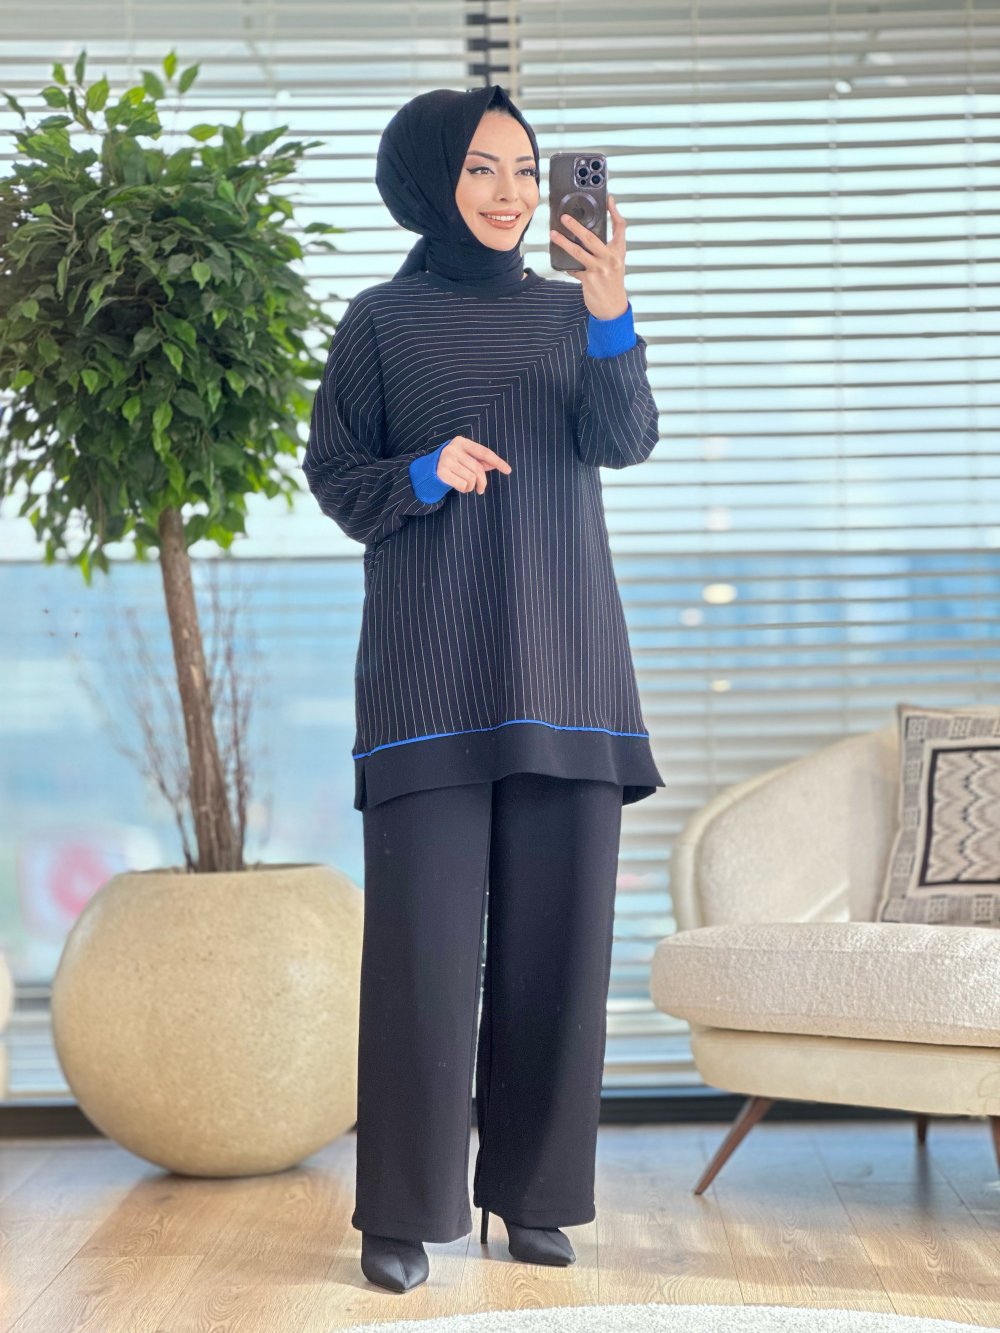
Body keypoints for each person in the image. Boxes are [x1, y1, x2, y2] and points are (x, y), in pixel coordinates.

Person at [302, 83, 664, 1294]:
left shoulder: (575, 314)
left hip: (568, 669)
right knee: (421, 962)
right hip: (429, 681)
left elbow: (624, 439)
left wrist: (610, 311)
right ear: (427, 181)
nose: (509, 194)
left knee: (558, 958)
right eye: (479, 169)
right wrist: (422, 471)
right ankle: (404, 1212)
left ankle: (535, 1195)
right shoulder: (379, 321)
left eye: (523, 168)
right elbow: (336, 477)